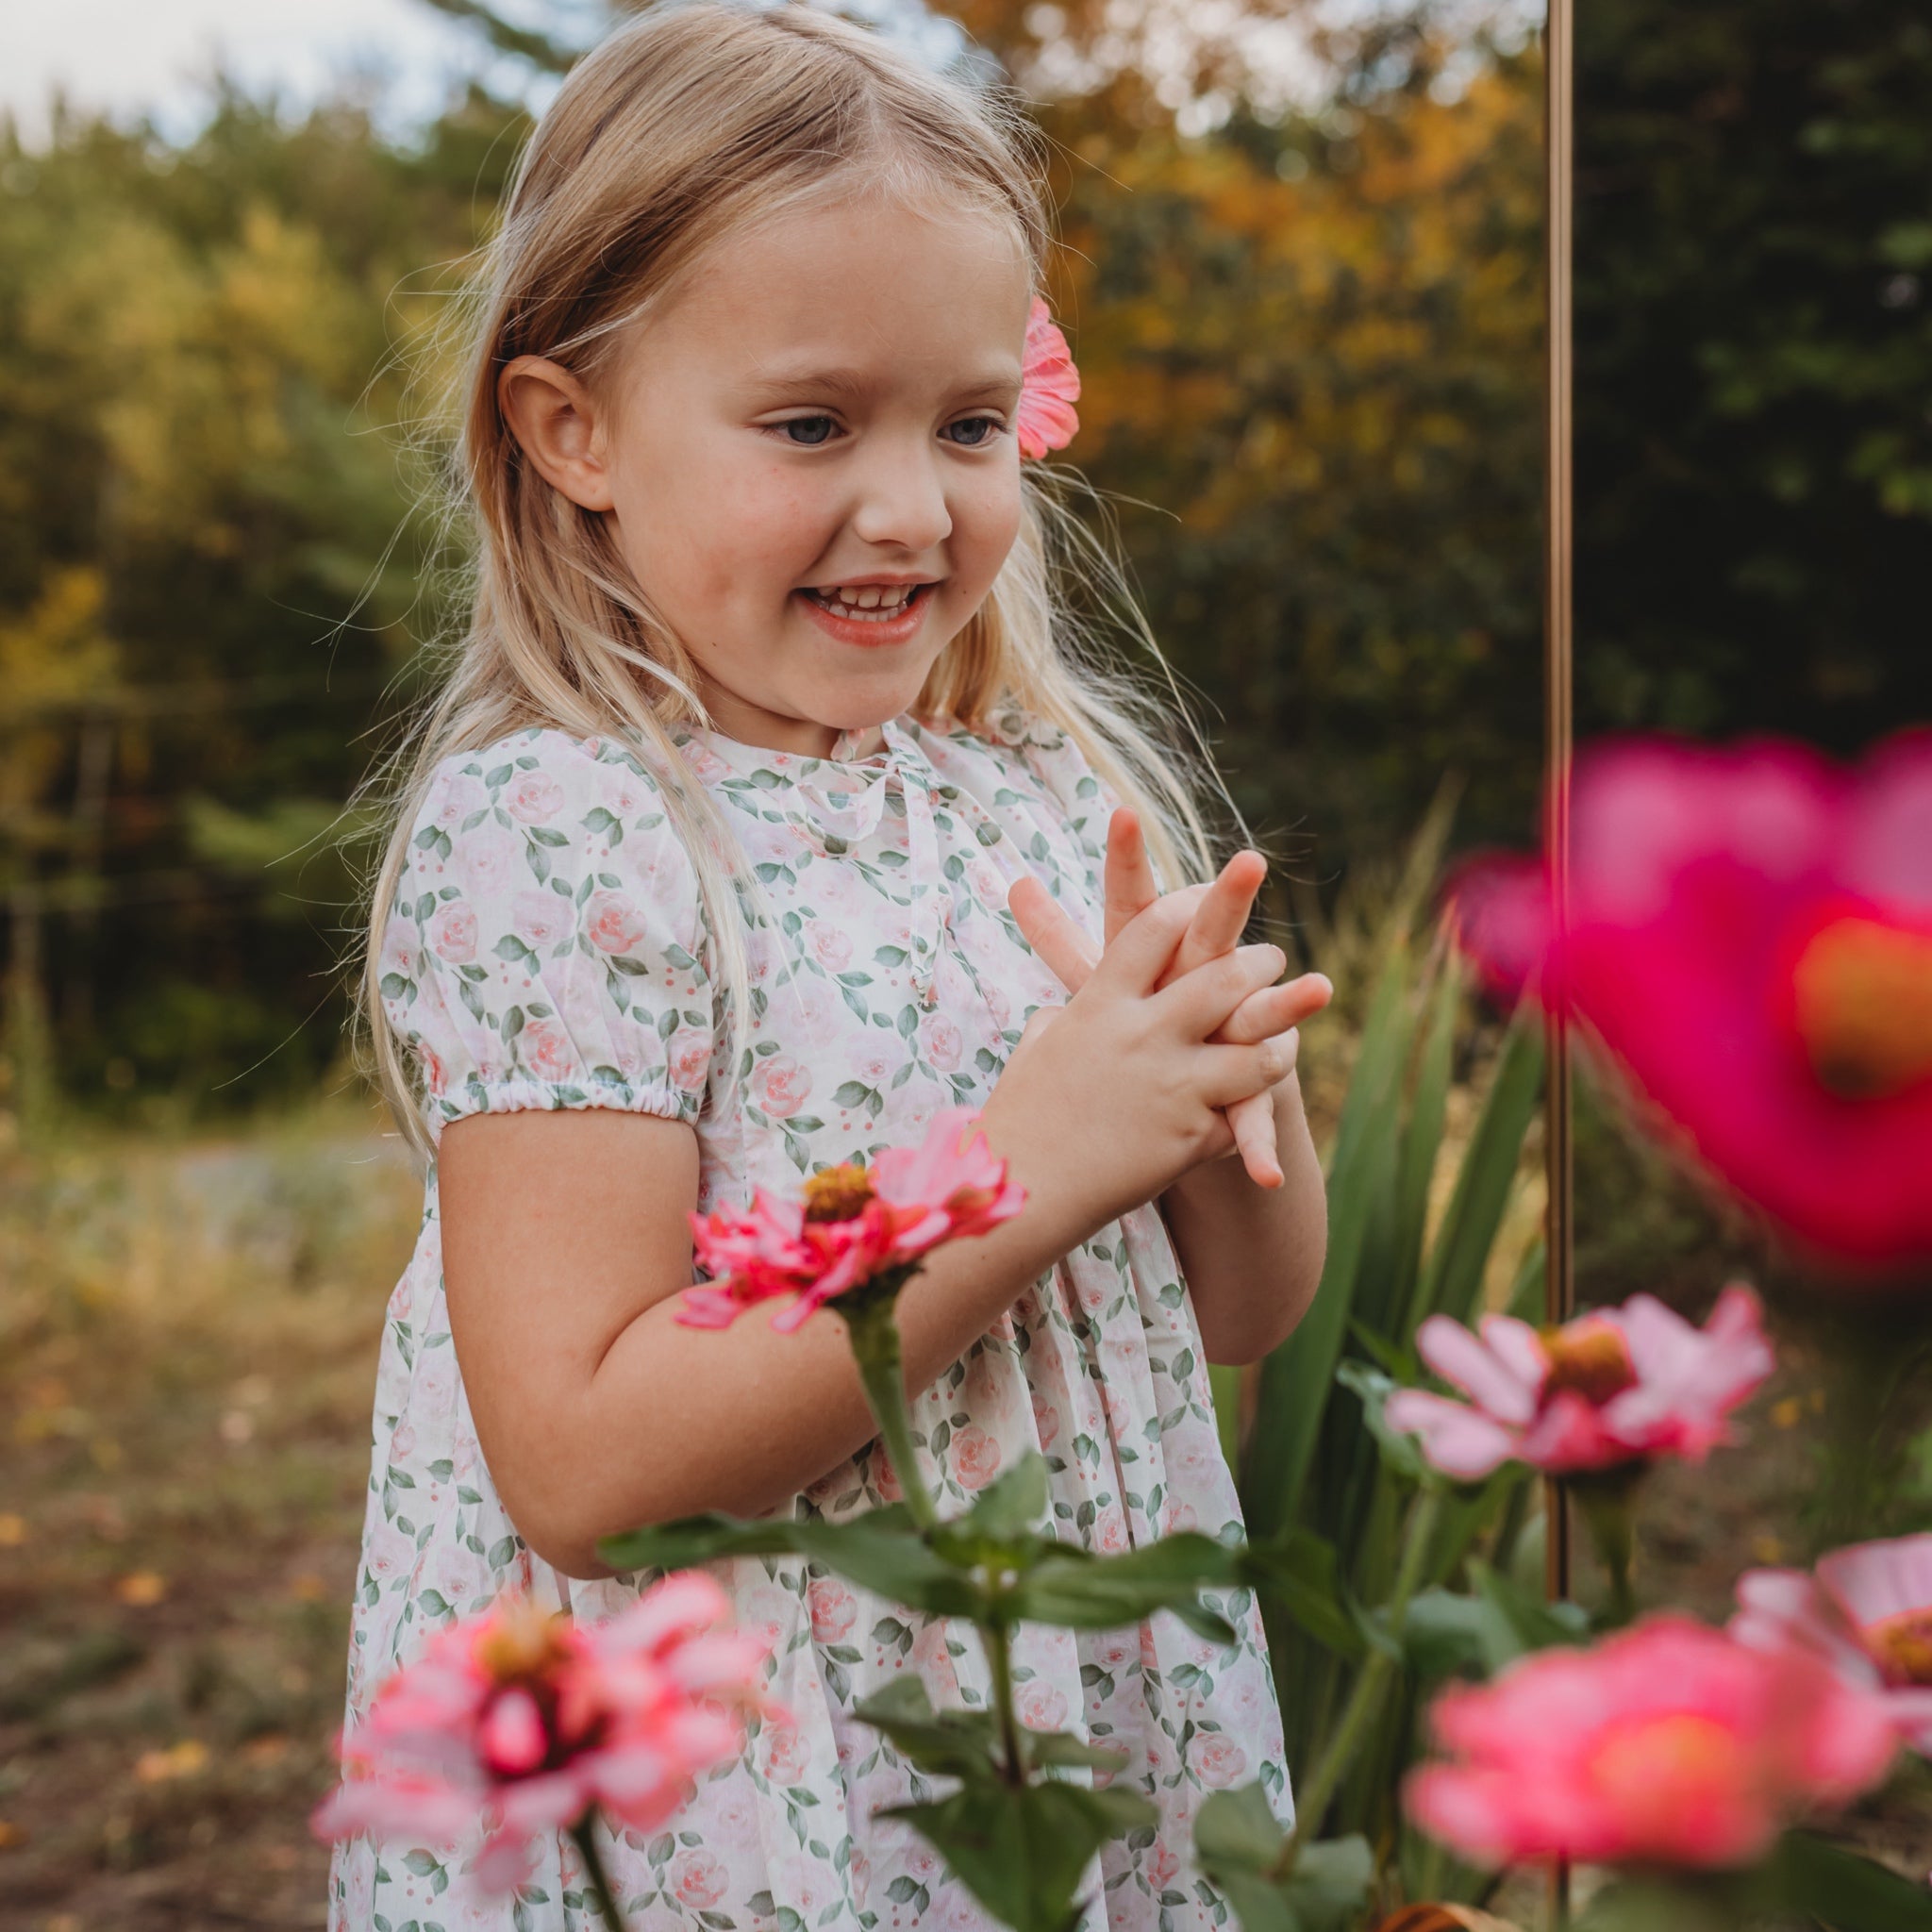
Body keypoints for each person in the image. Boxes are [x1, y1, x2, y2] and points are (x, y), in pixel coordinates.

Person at [334, 5, 1332, 1925]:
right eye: (812, 425)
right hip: (772, 1770)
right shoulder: (572, 838)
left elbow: (1237, 1316)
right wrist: (1028, 1161)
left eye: (967, 424)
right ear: (575, 433)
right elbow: (582, 1462)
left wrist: (1216, 1111)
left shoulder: (1041, 801)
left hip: (1073, 1723)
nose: (911, 504)